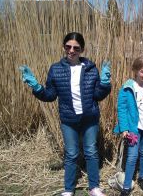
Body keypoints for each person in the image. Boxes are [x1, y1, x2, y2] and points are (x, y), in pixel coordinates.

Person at [19, 32, 111, 196]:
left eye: (76, 47)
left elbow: (98, 95)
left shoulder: (91, 68)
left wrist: (104, 84)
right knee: (71, 154)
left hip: (90, 118)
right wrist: (36, 86)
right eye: (68, 46)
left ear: (81, 49)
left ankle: (94, 188)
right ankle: (68, 189)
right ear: (64, 47)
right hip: (68, 120)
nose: (71, 50)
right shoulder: (55, 69)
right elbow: (50, 95)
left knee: (91, 151)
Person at [113, 56, 143, 196]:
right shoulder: (128, 87)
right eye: (142, 72)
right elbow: (121, 108)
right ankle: (126, 186)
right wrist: (124, 128)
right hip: (134, 128)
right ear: (135, 71)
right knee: (132, 156)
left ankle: (142, 178)